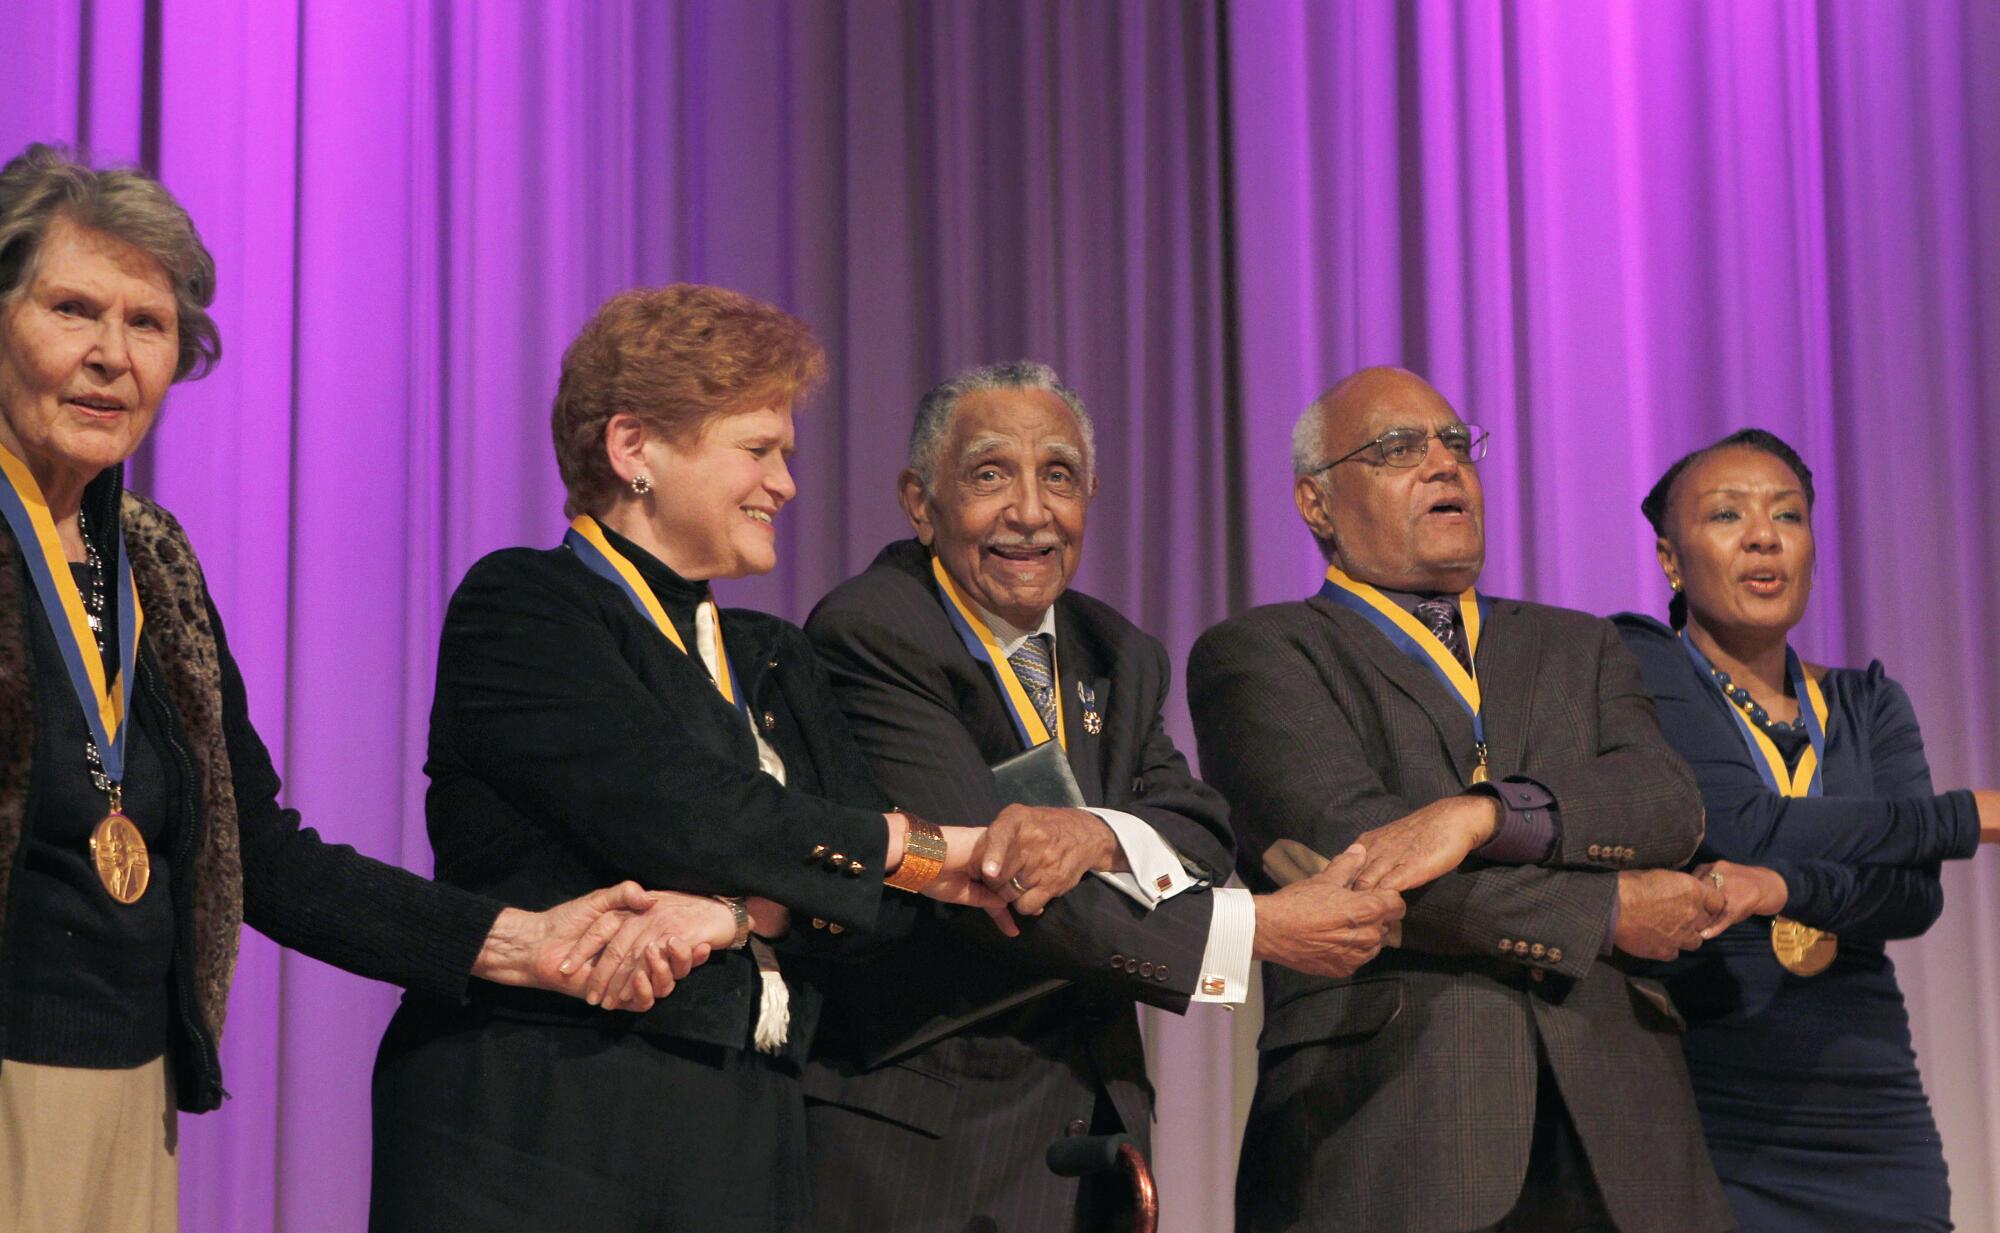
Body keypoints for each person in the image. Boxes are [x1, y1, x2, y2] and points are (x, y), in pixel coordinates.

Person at [0, 145, 682, 1233]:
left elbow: (260, 854)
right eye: (72, 309)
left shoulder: (153, 564)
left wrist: (522, 942)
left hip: (132, 1085)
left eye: (148, 325)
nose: (110, 357)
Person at [368, 284, 1012, 1233]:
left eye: (785, 454)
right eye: (758, 449)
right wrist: (925, 850)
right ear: (634, 449)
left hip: (743, 1131)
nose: (786, 483)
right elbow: (691, 813)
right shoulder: (524, 606)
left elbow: (883, 914)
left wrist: (724, 916)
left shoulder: (773, 652)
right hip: (541, 1118)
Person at [799, 360, 1404, 1233]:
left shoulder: (1117, 650)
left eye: (1059, 476)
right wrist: (1258, 930)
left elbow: (1199, 828)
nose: (1031, 512)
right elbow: (994, 888)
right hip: (925, 1136)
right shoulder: (874, 630)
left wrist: (1092, 831)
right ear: (919, 501)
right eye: (988, 474)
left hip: (1096, 1133)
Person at [1187, 366, 1736, 1233]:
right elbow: (1353, 859)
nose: (1445, 465)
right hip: (1390, 1128)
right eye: (1399, 448)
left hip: (1622, 1131)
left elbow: (1666, 802)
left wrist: (1486, 813)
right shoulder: (1261, 653)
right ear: (1316, 502)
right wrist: (1607, 908)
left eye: (1456, 443)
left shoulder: (1579, 644)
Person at [1614, 429, 2000, 1233]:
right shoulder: (1643, 664)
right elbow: (1742, 822)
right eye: (1727, 514)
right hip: (1710, 1085)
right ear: (1670, 560)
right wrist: (1973, 813)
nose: (1764, 535)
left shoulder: (1869, 701)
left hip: (1867, 1092)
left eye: (1787, 515)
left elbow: (1912, 897)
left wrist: (1784, 888)